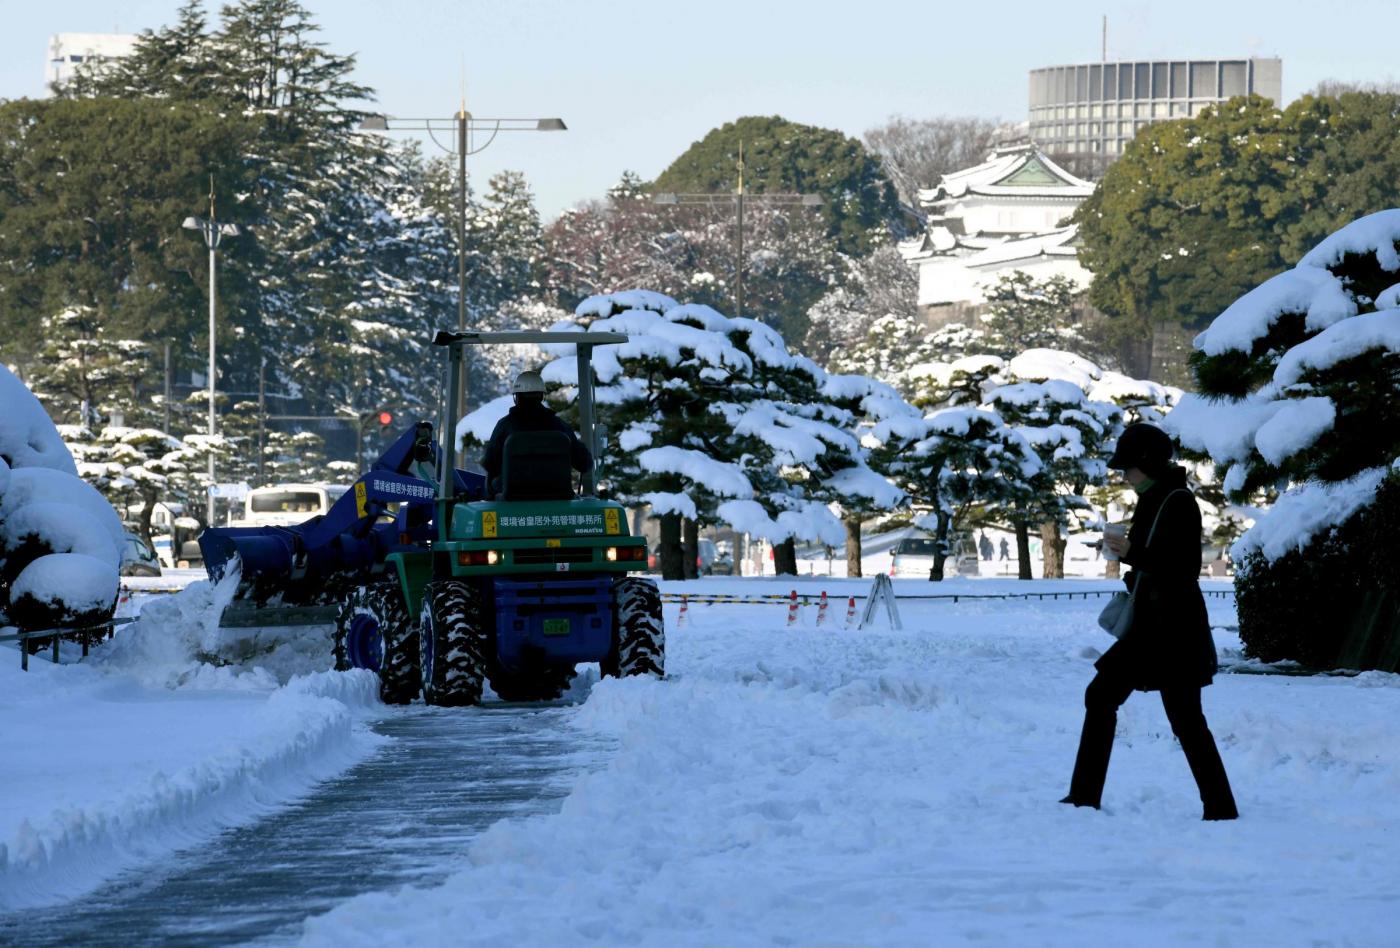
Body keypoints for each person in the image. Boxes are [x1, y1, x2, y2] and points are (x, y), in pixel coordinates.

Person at [1061, 422, 1238, 821]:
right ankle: (1083, 796)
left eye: (1127, 468)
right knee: (1104, 697)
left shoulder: (1177, 501)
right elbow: (1155, 563)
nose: (1123, 476)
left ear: (1147, 463)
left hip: (1173, 630)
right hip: (1152, 627)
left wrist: (1133, 553)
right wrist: (1130, 561)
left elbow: (1184, 569)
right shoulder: (1154, 497)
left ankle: (1221, 808)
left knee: (1185, 720)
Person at [483, 370, 592, 497]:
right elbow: (584, 463)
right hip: (557, 496)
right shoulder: (560, 426)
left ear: (516, 397)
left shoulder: (504, 426)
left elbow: (490, 463)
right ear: (542, 396)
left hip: (513, 496)